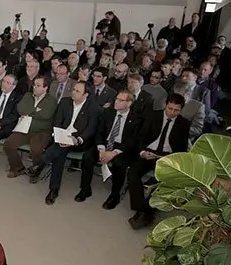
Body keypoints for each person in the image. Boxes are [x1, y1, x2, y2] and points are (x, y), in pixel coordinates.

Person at [27, 82, 101, 205]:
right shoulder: (65, 102)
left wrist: (76, 140)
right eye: (73, 89)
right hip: (62, 137)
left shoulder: (93, 107)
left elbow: (91, 129)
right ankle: (53, 189)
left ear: (86, 95)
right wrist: (59, 136)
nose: (73, 92)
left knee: (57, 151)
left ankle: (40, 165)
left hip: (80, 141)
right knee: (59, 153)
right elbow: (57, 121)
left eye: (77, 91)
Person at [128, 94, 190, 229]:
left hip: (166, 156)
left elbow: (182, 149)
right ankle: (142, 208)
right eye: (170, 108)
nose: (172, 112)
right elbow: (141, 137)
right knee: (133, 173)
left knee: (159, 181)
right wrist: (143, 152)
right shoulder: (152, 116)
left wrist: (169, 159)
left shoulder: (184, 124)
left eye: (176, 110)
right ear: (165, 105)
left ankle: (145, 212)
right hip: (148, 152)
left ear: (181, 110)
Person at [77, 90, 140, 209]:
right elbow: (99, 132)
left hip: (121, 148)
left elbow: (132, 141)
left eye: (120, 100)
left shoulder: (136, 119)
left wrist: (114, 153)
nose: (116, 102)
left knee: (118, 164)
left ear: (129, 103)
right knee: (88, 156)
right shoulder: (108, 112)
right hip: (105, 144)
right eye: (116, 99)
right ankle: (85, 189)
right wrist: (101, 149)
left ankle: (114, 195)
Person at [3, 76, 58, 178]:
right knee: (8, 144)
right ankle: (18, 168)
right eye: (34, 85)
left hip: (42, 131)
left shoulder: (52, 100)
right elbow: (20, 109)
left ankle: (35, 172)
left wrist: (29, 112)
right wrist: (36, 110)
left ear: (45, 88)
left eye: (38, 85)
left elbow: (46, 115)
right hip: (24, 128)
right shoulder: (28, 95)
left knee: (36, 151)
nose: (34, 87)